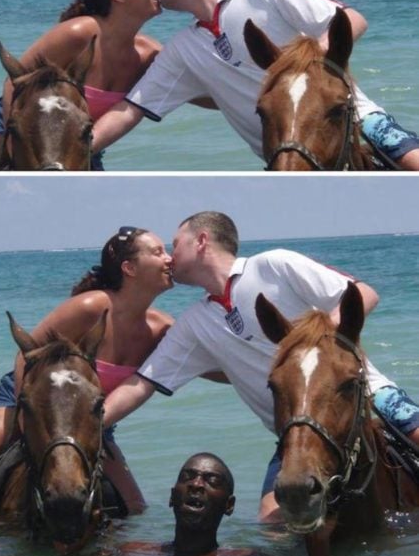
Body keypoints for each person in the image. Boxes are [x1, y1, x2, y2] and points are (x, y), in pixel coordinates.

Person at [97, 211, 419, 523]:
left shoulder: (274, 265)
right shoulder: (194, 324)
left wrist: (319, 339)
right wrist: (90, 425)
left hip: (371, 399)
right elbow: (142, 384)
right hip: (294, 435)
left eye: (174, 244)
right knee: (270, 523)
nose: (169, 256)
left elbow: (364, 292)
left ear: (201, 241)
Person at [90, 0, 419, 170]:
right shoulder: (181, 50)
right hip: (285, 157)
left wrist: (307, 59)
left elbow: (351, 18)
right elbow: (129, 110)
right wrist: (72, 155)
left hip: (358, 123)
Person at [0, 226, 174, 513]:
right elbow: (26, 356)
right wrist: (27, 415)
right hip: (23, 403)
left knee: (134, 509)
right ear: (129, 267)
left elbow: (208, 366)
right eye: (158, 252)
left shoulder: (162, 328)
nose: (169, 259)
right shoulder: (91, 305)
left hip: (90, 425)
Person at [0, 0, 162, 171]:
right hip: (10, 127)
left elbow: (192, 88)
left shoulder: (149, 54)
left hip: (75, 145)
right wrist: (14, 140)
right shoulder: (78, 32)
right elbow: (13, 82)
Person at [121, 452, 235, 556]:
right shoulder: (131, 553)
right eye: (187, 477)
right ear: (172, 497)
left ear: (229, 505)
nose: (196, 484)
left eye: (212, 480)